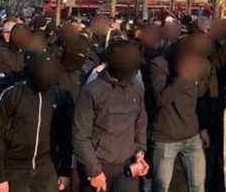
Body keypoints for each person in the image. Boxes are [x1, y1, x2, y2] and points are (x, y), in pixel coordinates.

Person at [73, 40, 148, 192]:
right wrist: (94, 171)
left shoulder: (137, 88)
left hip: (127, 167)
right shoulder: (91, 91)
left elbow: (140, 122)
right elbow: (80, 136)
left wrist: (140, 152)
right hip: (98, 166)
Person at [0, 52, 74, 191]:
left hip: (47, 167)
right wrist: (0, 176)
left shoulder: (59, 97)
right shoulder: (12, 95)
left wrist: (65, 171)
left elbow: (65, 137)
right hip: (15, 168)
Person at [150, 38, 208, 192]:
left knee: (198, 185)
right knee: (161, 187)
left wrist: (203, 128)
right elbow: (162, 99)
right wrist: (181, 76)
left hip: (192, 135)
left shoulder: (195, 66)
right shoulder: (159, 64)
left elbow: (199, 99)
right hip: (166, 137)